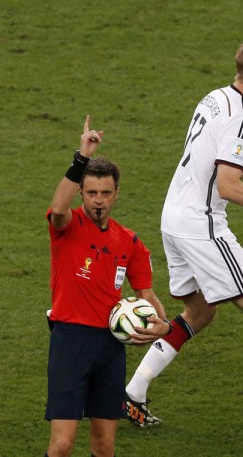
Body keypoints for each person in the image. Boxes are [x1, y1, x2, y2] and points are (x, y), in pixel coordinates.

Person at [124, 37, 243, 428]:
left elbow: (213, 159)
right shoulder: (241, 116)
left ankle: (131, 393)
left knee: (199, 312)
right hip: (201, 224)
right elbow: (227, 187)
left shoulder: (215, 97)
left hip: (173, 217)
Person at [46, 116, 170, 457]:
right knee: (61, 444)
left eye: (104, 193)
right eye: (91, 193)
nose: (97, 200)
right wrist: (80, 158)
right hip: (70, 341)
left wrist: (164, 324)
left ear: (115, 194)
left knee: (104, 445)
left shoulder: (129, 241)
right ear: (82, 193)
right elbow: (58, 208)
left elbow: (147, 294)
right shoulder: (67, 227)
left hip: (110, 346)